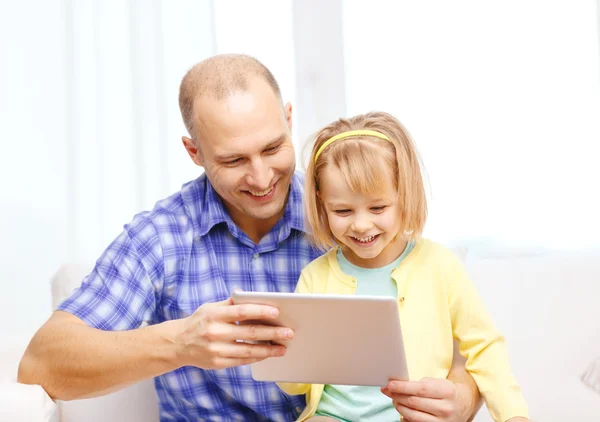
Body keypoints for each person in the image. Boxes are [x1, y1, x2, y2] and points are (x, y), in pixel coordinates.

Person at [18, 54, 481, 421]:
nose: (262, 178)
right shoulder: (160, 237)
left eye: (273, 148)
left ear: (289, 119)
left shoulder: (348, 215)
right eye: (234, 160)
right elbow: (40, 365)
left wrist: (462, 398)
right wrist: (179, 344)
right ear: (194, 152)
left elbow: (456, 338)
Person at [277, 111, 529, 422]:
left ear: (404, 193)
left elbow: (484, 345)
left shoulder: (440, 265)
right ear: (320, 201)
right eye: (342, 210)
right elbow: (297, 384)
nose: (360, 224)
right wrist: (285, 357)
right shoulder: (315, 276)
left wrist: (514, 416)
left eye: (378, 207)